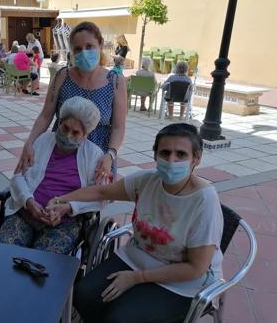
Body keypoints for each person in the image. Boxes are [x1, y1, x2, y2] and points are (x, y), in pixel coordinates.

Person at [51, 123, 223, 323]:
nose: (171, 160)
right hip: (136, 258)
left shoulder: (204, 200)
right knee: (83, 294)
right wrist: (60, 200)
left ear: (197, 158)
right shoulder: (146, 181)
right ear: (155, 155)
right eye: (165, 153)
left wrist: (137, 278)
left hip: (183, 281)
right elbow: (100, 191)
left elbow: (195, 268)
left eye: (181, 154)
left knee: (121, 318)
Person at [15, 21, 127, 183]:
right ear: (72, 51)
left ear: (101, 44)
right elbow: (46, 116)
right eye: (78, 49)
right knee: (52, 194)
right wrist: (30, 143)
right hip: (61, 149)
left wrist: (110, 155)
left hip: (98, 156)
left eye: (89, 46)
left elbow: (118, 126)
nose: (84, 52)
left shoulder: (115, 82)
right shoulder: (62, 77)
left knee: (88, 203)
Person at [0, 97, 105, 254]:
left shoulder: (94, 155)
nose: (68, 136)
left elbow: (101, 197)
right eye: (65, 128)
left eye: (75, 133)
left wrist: (68, 208)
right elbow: (18, 177)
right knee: (2, 252)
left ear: (85, 135)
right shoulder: (42, 141)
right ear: (59, 122)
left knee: (43, 265)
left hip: (64, 222)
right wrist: (29, 201)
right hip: (25, 214)